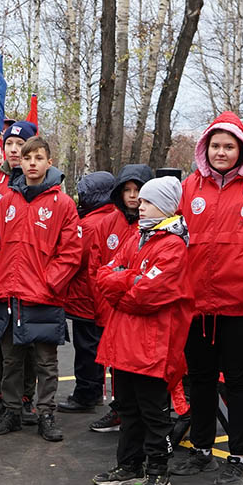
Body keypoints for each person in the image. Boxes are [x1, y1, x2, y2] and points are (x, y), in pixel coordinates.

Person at [170, 113, 243, 485]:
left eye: (228, 146)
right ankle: (202, 450)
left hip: (242, 304)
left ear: (242, 150)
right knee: (198, 379)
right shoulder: (190, 187)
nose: (221, 152)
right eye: (215, 145)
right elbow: (174, 238)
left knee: (237, 381)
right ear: (205, 148)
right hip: (197, 303)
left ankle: (238, 458)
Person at [92, 176, 192, 485]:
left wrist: (124, 282)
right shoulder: (137, 237)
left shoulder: (174, 246)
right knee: (128, 407)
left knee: (153, 411)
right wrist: (128, 281)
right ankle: (130, 465)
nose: (139, 203)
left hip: (152, 345)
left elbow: (147, 294)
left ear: (162, 206)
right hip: (123, 341)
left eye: (146, 201)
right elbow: (104, 275)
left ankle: (159, 470)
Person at [0, 135, 80, 441]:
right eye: (27, 158)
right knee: (11, 360)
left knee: (46, 363)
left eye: (39, 158)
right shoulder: (6, 201)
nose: (32, 163)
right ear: (20, 162)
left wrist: (49, 282)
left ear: (49, 163)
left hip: (43, 297)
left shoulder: (62, 204)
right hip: (9, 294)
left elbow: (71, 252)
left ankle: (46, 414)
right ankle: (12, 411)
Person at [0, 119, 41, 426]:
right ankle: (3, 398)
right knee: (0, 339)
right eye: (10, 145)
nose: (15, 151)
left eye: (21, 145)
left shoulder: (42, 183)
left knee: (28, 340)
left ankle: (27, 397)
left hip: (31, 278)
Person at [86, 163, 152, 433]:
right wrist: (107, 298)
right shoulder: (106, 224)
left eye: (138, 190)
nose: (133, 196)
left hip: (142, 309)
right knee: (117, 364)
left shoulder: (154, 226)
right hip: (110, 308)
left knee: (141, 363)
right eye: (128, 190)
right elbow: (95, 268)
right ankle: (119, 409)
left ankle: (143, 413)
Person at [59, 171, 116, 414]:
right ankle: (93, 392)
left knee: (87, 349)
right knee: (97, 347)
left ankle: (86, 394)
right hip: (102, 297)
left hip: (86, 297)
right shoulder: (113, 217)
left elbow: (75, 256)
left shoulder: (90, 224)